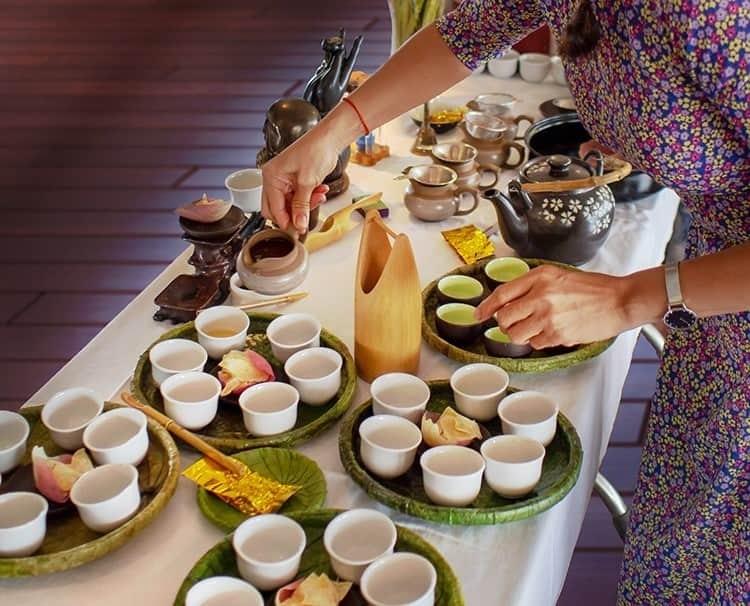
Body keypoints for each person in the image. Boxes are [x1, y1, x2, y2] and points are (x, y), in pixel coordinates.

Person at [261, 1, 749, 602]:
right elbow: (465, 34)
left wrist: (630, 297)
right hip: (717, 305)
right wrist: (331, 133)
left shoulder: (712, 14)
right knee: (680, 556)